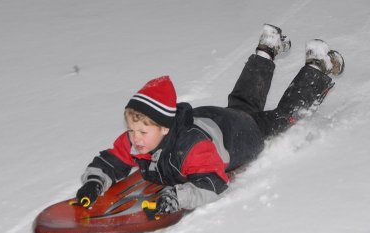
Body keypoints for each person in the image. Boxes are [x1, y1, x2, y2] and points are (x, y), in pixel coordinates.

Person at [76, 24, 344, 214]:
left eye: (142, 132)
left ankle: (317, 66)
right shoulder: (138, 140)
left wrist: (178, 196)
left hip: (240, 136)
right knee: (241, 104)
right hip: (212, 118)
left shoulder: (191, 150)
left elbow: (214, 182)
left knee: (279, 119)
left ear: (165, 128)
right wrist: (94, 181)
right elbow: (110, 160)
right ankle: (267, 48)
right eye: (131, 130)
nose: (135, 138)